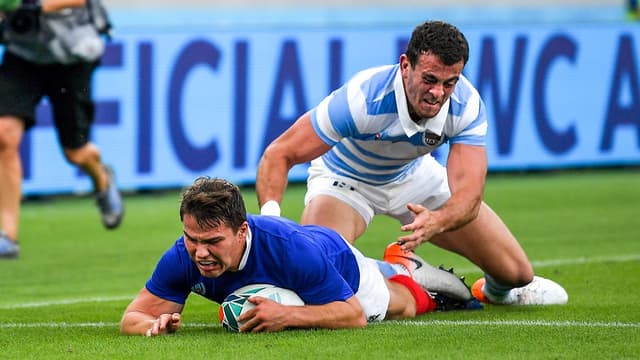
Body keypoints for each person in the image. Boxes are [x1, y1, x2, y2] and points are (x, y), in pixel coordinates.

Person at [255, 20, 568, 306]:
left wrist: (437, 221)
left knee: (516, 273)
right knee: (317, 270)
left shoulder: (466, 106)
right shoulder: (362, 98)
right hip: (344, 181)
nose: (438, 93)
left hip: (414, 176)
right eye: (430, 79)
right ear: (406, 65)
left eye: (449, 82)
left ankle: (493, 294)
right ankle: (398, 270)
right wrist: (272, 220)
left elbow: (469, 196)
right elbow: (279, 154)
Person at [120, 177, 478, 336]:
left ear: (242, 231)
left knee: (401, 307)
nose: (200, 252)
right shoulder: (184, 254)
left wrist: (287, 315)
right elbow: (133, 316)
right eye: (191, 238)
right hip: (308, 265)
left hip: (334, 257)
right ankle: (390, 264)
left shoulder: (289, 250)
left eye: (212, 241)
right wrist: (152, 325)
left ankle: (403, 268)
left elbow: (353, 316)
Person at [0, 0, 123, 259]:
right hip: (23, 53)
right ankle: (7, 235)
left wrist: (35, 6)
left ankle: (102, 179)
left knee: (76, 153)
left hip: (73, 52)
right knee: (4, 134)